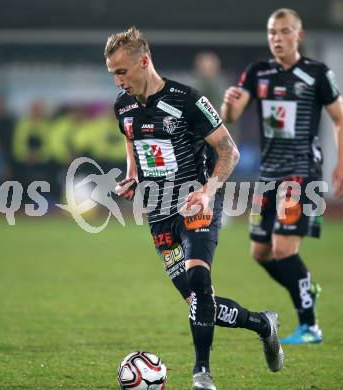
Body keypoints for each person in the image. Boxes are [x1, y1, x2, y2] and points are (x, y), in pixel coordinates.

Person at [104, 26, 283, 390]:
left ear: (144, 61)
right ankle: (263, 324)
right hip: (159, 213)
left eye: (122, 72)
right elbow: (132, 138)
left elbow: (229, 151)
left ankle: (202, 374)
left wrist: (207, 190)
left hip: (196, 201)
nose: (118, 81)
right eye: (113, 74)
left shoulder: (187, 100)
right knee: (199, 304)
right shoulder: (122, 107)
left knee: (201, 282)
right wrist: (133, 176)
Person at [221, 8, 343, 344]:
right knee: (260, 252)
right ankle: (303, 284)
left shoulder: (317, 74)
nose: (277, 38)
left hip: (301, 174)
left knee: (284, 248)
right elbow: (232, 113)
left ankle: (311, 326)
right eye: (273, 32)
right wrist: (229, 104)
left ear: (299, 36)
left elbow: (339, 119)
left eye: (285, 32)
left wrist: (341, 163)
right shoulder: (258, 73)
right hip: (269, 175)